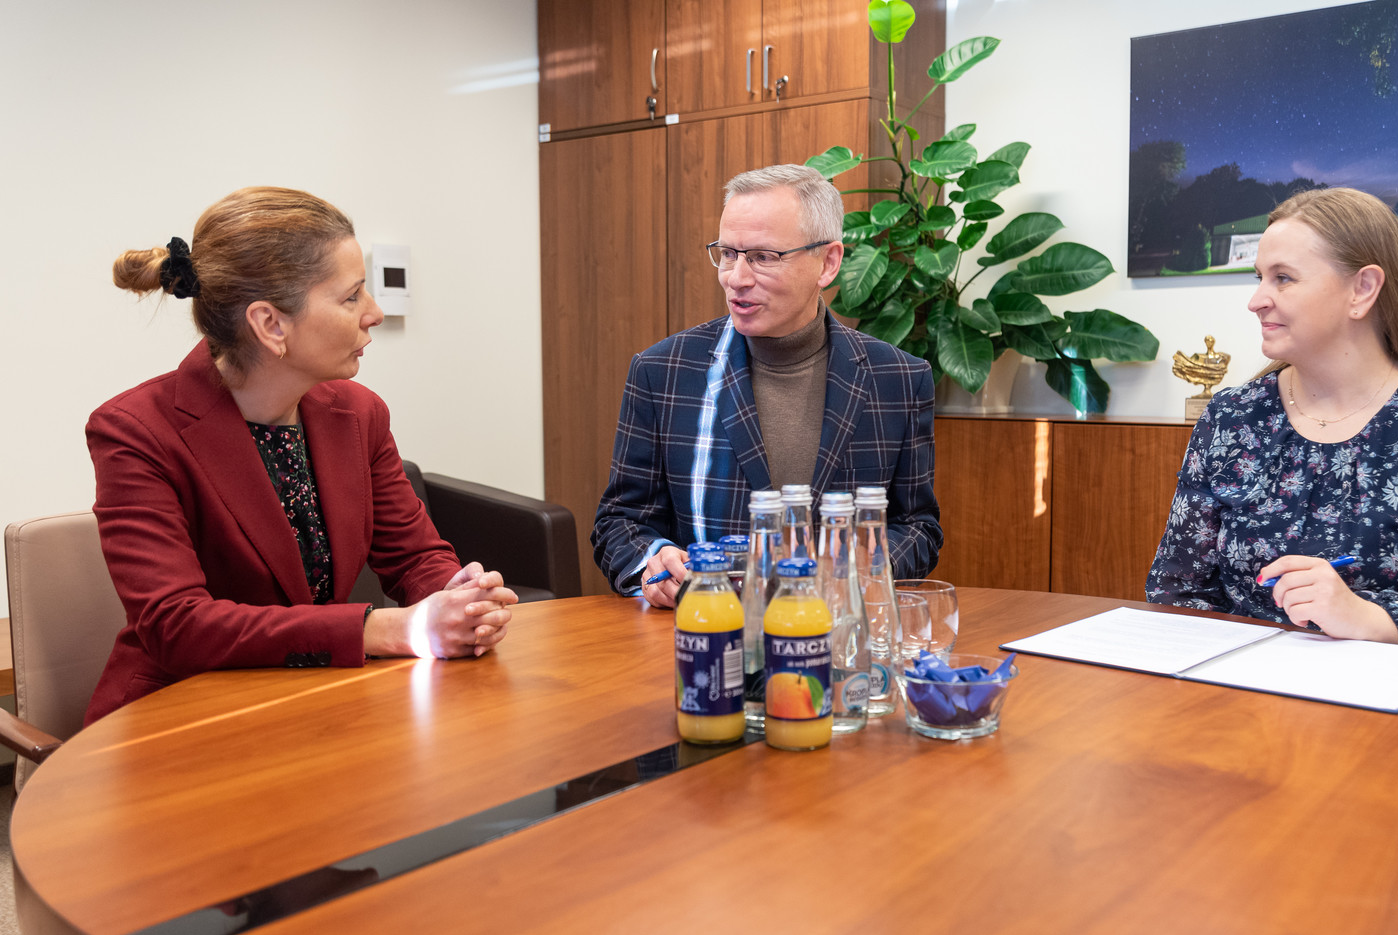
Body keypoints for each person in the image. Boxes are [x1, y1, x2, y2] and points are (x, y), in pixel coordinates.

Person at [86, 187, 517, 725]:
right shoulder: (135, 431)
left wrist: (460, 599)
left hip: (314, 704)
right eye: (352, 297)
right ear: (271, 324)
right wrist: (387, 628)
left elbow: (414, 557)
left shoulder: (360, 413)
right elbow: (177, 626)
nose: (375, 313)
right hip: (181, 718)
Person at [1146, 187, 1398, 684]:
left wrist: (1369, 618)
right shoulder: (1231, 417)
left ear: (1362, 289)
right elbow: (1175, 591)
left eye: (1283, 278)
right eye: (1259, 278)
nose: (1256, 301)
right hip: (1245, 701)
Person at [592, 164, 941, 607]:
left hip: (837, 629)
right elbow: (619, 521)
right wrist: (653, 560)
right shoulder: (663, 370)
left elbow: (918, 527)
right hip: (704, 629)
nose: (736, 278)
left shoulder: (898, 378)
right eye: (728, 253)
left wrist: (863, 566)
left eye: (762, 257)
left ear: (828, 262)